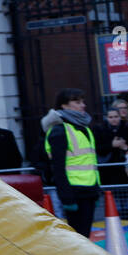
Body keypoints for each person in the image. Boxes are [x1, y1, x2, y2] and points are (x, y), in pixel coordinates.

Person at [44, 89, 100, 238]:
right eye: (77, 102)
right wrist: (67, 197)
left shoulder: (84, 128)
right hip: (74, 192)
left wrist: (96, 190)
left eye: (83, 101)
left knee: (85, 235)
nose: (83, 105)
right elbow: (58, 168)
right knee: (78, 237)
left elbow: (91, 163)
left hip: (89, 189)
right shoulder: (59, 130)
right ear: (64, 106)